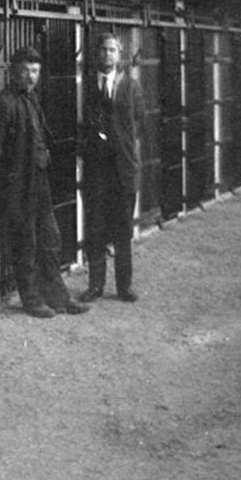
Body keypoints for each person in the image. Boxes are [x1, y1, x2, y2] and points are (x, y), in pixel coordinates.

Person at [0, 46, 90, 318]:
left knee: (51, 239)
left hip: (39, 182)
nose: (31, 77)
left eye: (35, 71)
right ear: (13, 71)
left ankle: (59, 298)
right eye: (25, 71)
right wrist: (4, 189)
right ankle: (31, 300)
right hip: (18, 187)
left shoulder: (32, 100)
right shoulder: (2, 103)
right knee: (26, 244)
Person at [80, 32, 146, 303]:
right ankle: (95, 285)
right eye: (103, 50)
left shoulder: (131, 86)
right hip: (96, 170)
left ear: (120, 55)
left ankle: (124, 286)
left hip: (123, 170)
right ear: (96, 54)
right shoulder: (86, 87)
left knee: (122, 230)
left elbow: (140, 124)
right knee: (95, 228)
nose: (107, 55)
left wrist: (123, 147)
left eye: (112, 50)